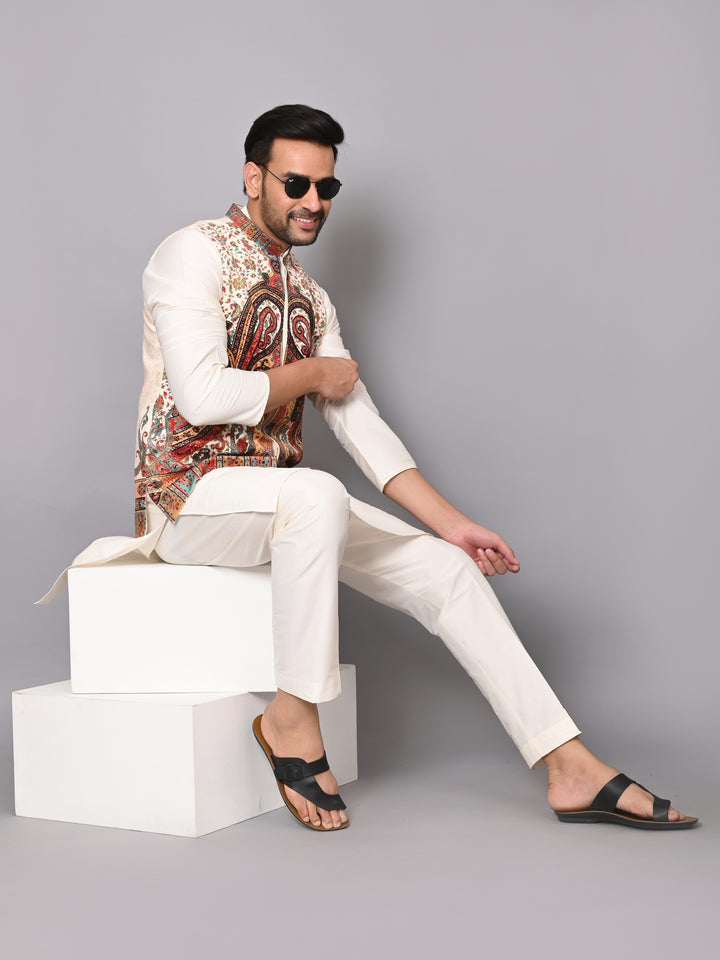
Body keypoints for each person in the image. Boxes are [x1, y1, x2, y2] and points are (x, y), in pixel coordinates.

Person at [120, 105, 698, 831]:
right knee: (315, 494)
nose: (312, 202)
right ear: (252, 176)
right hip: (188, 501)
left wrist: (453, 526)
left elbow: (359, 421)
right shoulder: (191, 253)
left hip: (280, 500)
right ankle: (291, 720)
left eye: (327, 189)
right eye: (296, 183)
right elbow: (205, 395)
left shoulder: (312, 297)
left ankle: (569, 765)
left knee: (445, 572)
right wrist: (311, 374)